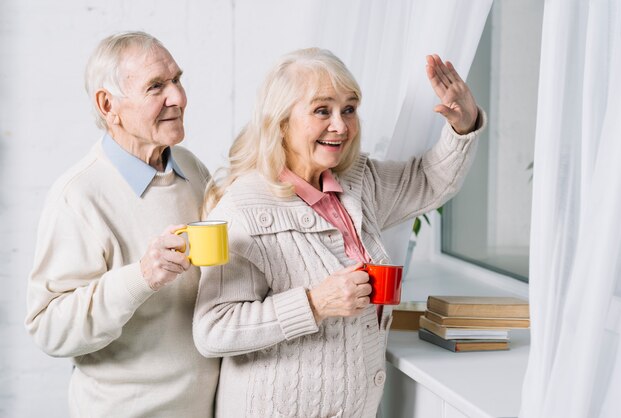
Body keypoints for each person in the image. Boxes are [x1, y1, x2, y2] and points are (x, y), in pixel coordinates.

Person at [192, 47, 485, 417]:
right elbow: (214, 329)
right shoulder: (243, 209)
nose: (341, 125)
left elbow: (427, 182)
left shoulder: (358, 180)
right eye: (322, 110)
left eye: (349, 109)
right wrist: (314, 304)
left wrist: (464, 123)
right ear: (281, 121)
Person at [25, 31, 219, 417]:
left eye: (177, 80)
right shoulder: (78, 195)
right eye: (156, 87)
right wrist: (142, 277)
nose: (178, 97)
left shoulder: (192, 168)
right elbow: (48, 328)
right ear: (107, 104)